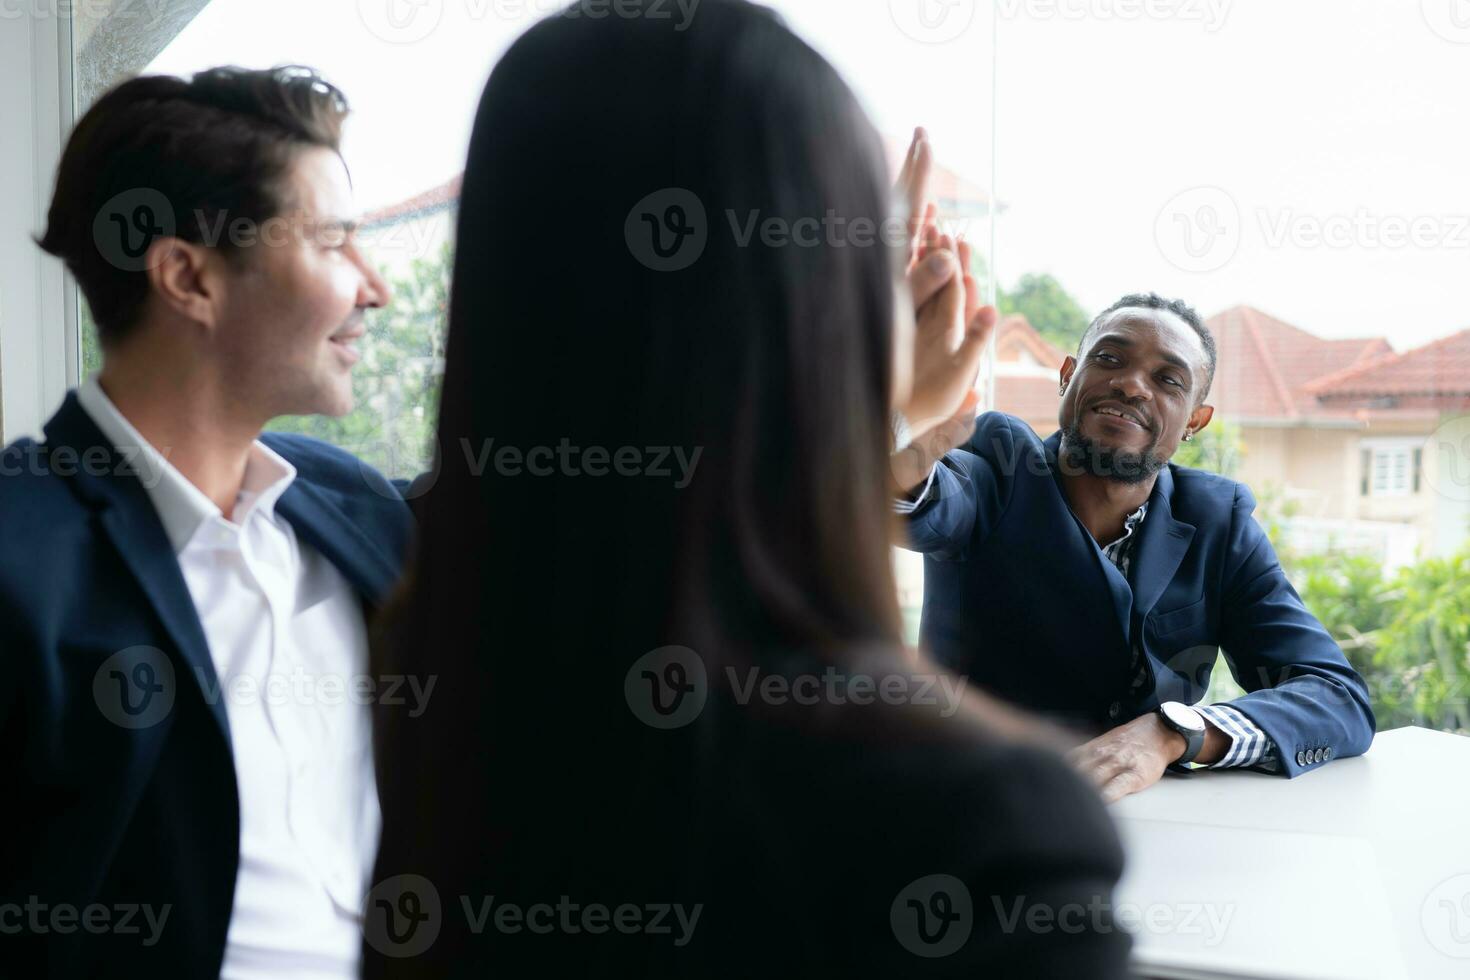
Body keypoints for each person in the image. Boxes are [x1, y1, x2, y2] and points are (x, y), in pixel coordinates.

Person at [366, 2, 1132, 976]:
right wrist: (866, 399)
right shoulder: (981, 832)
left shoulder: (403, 690)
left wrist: (865, 396)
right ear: (821, 315)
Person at [0, 66, 412, 977]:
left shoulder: (361, 513)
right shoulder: (17, 564)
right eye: (337, 242)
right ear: (189, 276)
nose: (374, 288)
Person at [894, 293, 1376, 802]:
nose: (1130, 385)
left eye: (1168, 380)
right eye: (1109, 359)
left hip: (1155, 824)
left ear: (1195, 420)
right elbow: (918, 500)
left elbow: (1336, 696)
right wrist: (908, 428)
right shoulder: (998, 463)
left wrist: (1172, 733)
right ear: (1067, 376)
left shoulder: (1217, 520)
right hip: (972, 811)